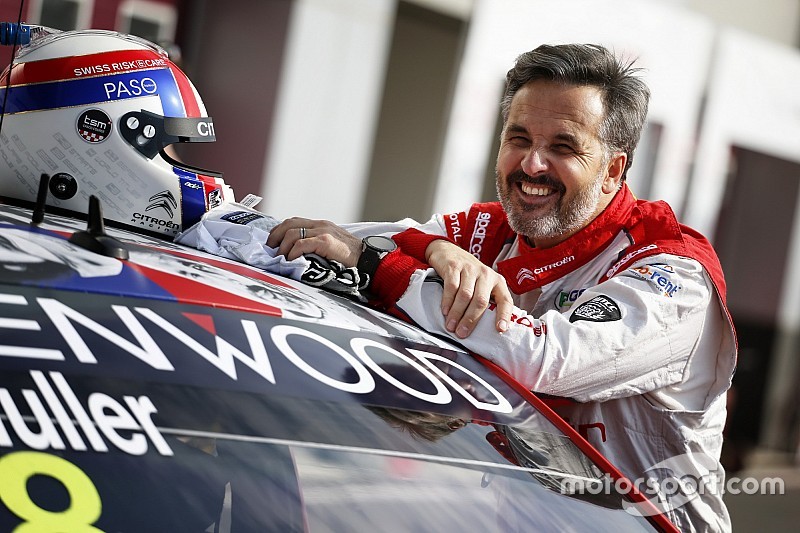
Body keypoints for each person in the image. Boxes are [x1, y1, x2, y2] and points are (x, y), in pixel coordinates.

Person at [266, 43, 736, 531]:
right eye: (519, 138)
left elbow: (543, 358)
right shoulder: (488, 233)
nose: (532, 165)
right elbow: (326, 240)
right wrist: (430, 249)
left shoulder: (672, 272)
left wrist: (382, 266)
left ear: (612, 170)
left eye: (563, 146)